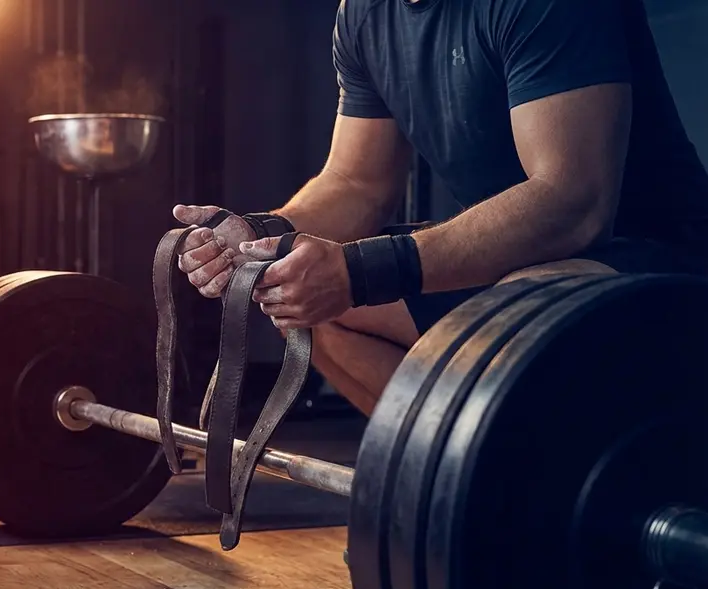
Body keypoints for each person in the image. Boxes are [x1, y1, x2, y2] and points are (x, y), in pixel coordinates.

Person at [174, 0, 708, 416]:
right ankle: (457, 487)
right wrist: (260, 235)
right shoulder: (364, 14)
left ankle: (521, 495)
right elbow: (355, 183)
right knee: (295, 293)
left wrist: (358, 272)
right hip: (516, 263)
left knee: (515, 312)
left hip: (651, 260)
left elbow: (573, 202)